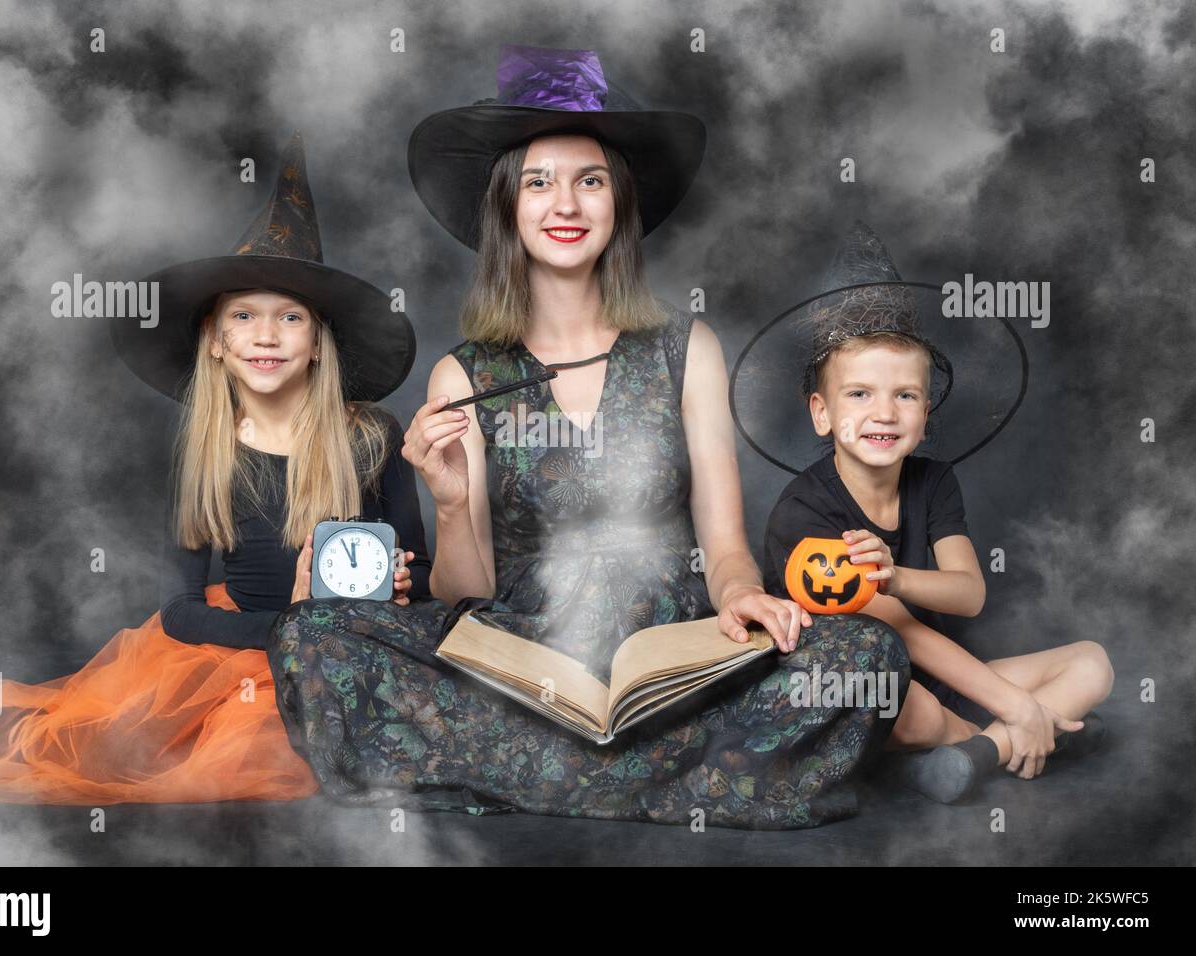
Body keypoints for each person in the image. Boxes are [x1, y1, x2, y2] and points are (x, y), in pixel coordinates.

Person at [267, 45, 911, 829]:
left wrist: (742, 594)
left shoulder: (687, 348)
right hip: (527, 663)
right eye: (538, 182)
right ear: (507, 207)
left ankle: (550, 779)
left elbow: (726, 543)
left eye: (590, 181)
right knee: (314, 635)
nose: (564, 203)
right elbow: (463, 596)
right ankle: (686, 783)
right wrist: (451, 497)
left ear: (619, 204)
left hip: (674, 658)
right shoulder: (463, 375)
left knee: (862, 656)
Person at [0, 132, 434, 804]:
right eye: (244, 316)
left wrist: (404, 583)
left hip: (351, 655)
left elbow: (423, 575)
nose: (266, 337)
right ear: (215, 341)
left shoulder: (374, 438)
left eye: (290, 318)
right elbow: (180, 611)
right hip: (242, 654)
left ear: (320, 345)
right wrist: (287, 626)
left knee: (359, 754)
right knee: (109, 744)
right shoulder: (209, 453)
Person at [761, 221, 1113, 804]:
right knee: (912, 711)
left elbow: (968, 593)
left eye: (905, 395)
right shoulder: (803, 510)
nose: (885, 412)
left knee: (1093, 663)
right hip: (864, 687)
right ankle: (1015, 737)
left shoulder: (935, 480)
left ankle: (979, 755)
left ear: (926, 413)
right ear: (821, 413)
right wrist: (1017, 705)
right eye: (860, 394)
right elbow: (900, 630)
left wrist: (896, 577)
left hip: (947, 675)